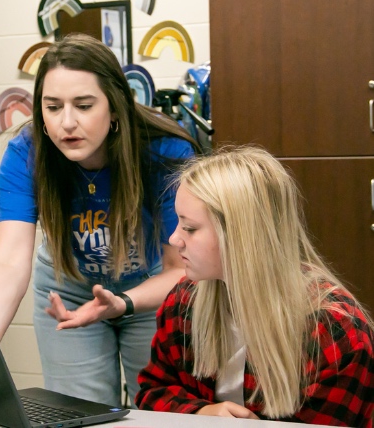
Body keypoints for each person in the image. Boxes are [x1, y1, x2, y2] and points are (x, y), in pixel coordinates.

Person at [0, 33, 197, 406]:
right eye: (53, 107)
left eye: (84, 105)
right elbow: (9, 259)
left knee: (159, 409)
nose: (67, 122)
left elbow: (181, 269)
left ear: (115, 105)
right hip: (69, 291)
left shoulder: (165, 150)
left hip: (152, 287)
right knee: (79, 413)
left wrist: (121, 301)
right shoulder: (27, 152)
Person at [136, 146, 374, 425]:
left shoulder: (336, 334)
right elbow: (152, 392)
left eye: (189, 228)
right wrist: (201, 413)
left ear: (241, 236)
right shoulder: (184, 302)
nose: (175, 239)